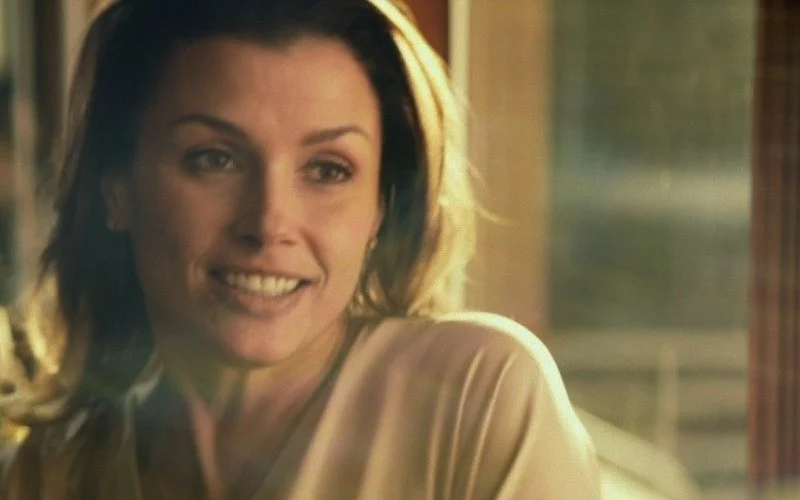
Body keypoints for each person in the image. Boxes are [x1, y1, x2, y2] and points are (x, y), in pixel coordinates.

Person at [0, 0, 601, 498]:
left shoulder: (478, 400)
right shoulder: (54, 471)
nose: (269, 224)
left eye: (328, 170)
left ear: (381, 209)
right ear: (116, 188)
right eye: (216, 159)